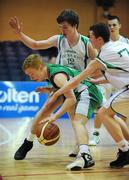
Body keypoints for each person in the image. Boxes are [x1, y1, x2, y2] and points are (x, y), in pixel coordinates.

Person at [9, 9, 100, 153]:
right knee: (45, 109)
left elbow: (98, 65)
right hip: (60, 81)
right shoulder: (58, 39)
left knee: (75, 117)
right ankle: (28, 141)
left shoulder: (86, 42)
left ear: (75, 25)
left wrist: (90, 77)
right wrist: (19, 33)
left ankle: (81, 147)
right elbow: (36, 44)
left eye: (65, 27)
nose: (62, 30)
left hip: (78, 84)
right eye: (60, 27)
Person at [48, 23, 129, 168]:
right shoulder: (119, 45)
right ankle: (124, 150)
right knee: (109, 113)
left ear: (98, 39)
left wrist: (57, 93)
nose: (88, 39)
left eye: (90, 36)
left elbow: (76, 80)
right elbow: (121, 71)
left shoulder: (102, 56)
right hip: (125, 87)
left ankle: (125, 150)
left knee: (103, 113)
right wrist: (98, 81)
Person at [15, 53, 103, 171]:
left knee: (78, 121)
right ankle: (28, 142)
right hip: (77, 91)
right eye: (28, 75)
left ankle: (85, 155)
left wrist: (55, 116)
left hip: (88, 91)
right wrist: (50, 89)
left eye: (32, 74)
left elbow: (71, 99)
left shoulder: (57, 76)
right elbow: (66, 87)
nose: (31, 78)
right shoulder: (51, 73)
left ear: (41, 67)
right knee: (48, 108)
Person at [90, 15, 129, 145]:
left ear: (119, 26)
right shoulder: (103, 44)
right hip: (107, 78)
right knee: (101, 106)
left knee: (118, 110)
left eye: (114, 25)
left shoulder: (125, 42)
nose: (112, 27)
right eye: (109, 25)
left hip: (122, 79)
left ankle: (122, 139)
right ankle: (96, 134)